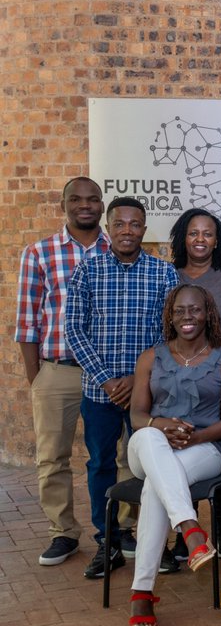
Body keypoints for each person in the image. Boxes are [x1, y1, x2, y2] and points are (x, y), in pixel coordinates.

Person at [65, 197, 179, 579]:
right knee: (100, 464)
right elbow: (74, 329)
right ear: (108, 228)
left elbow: (170, 332)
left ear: (144, 229)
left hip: (148, 394)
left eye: (134, 224)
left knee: (152, 467)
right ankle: (108, 543)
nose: (127, 230)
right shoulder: (88, 269)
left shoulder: (163, 273)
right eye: (119, 224)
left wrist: (137, 379)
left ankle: (155, 544)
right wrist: (106, 379)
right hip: (99, 392)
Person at [125, 285, 221, 626]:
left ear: (208, 314)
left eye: (195, 309)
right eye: (179, 310)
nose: (187, 317)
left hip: (203, 448)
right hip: (148, 447)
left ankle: (141, 594)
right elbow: (137, 415)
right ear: (170, 316)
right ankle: (190, 528)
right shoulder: (151, 358)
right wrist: (160, 425)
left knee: (154, 487)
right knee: (149, 437)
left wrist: (194, 437)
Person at [15, 177, 111, 567]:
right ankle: (63, 532)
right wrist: (37, 377)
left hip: (110, 375)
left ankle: (119, 529)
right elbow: (27, 320)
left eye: (92, 199)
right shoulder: (39, 253)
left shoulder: (119, 249)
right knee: (52, 457)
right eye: (76, 199)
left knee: (119, 455)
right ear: (64, 205)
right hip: (60, 370)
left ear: (102, 204)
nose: (84, 205)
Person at [169, 208, 221, 352]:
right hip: (177, 360)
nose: (200, 239)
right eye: (193, 233)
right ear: (183, 239)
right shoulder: (169, 273)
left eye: (208, 234)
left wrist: (211, 357)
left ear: (216, 241)